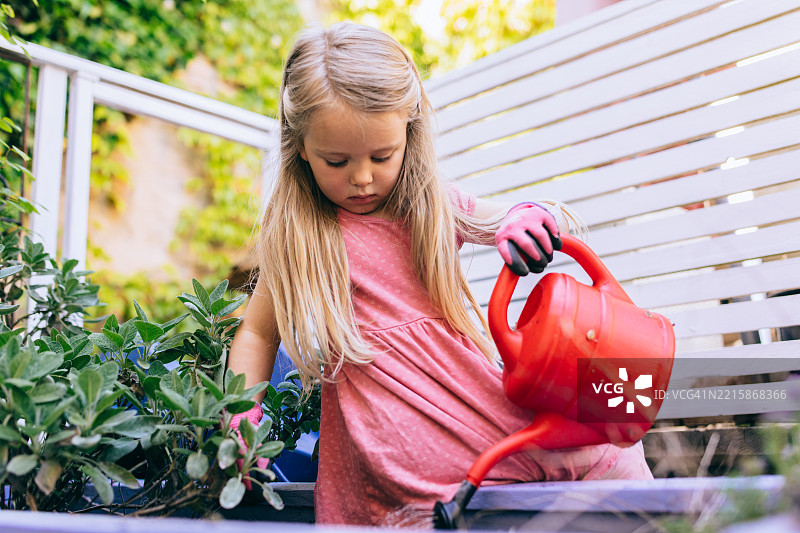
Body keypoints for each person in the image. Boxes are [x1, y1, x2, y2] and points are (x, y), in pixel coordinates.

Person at [226, 22, 652, 527]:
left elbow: (514, 214)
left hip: (468, 402)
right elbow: (257, 331)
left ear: (409, 130)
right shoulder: (300, 233)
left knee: (602, 450)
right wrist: (238, 417)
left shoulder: (426, 205)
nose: (362, 178)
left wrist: (523, 220)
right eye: (336, 161)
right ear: (299, 147)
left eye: (381, 156)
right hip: (384, 439)